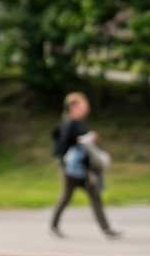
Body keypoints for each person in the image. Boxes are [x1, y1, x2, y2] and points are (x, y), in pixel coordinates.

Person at [50, 92, 119, 239]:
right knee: (78, 196)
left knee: (78, 196)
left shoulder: (71, 123)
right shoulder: (71, 123)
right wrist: (85, 139)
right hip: (73, 169)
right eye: (83, 105)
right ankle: (106, 229)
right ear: (73, 106)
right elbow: (65, 146)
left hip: (77, 168)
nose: (86, 108)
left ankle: (54, 225)